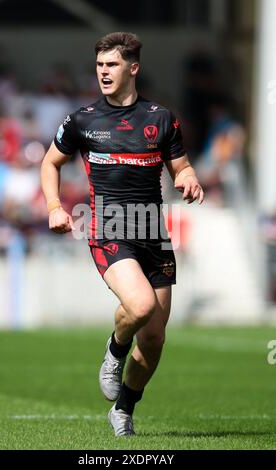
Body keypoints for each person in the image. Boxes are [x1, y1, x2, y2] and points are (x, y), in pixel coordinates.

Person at [40, 32, 204, 437]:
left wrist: (190, 177)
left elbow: (179, 167)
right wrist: (54, 207)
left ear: (133, 68)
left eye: (111, 65)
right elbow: (49, 164)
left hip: (153, 232)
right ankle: (114, 350)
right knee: (141, 305)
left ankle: (124, 408)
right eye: (99, 66)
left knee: (153, 340)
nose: (103, 72)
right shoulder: (82, 119)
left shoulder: (161, 118)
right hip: (108, 227)